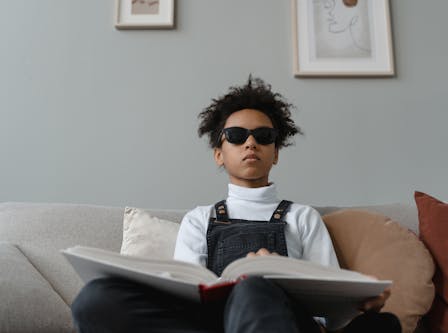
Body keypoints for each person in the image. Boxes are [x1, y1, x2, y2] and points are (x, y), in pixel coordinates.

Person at [71, 77, 401, 333]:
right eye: (237, 136)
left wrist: (357, 301)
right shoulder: (199, 219)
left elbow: (329, 305)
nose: (251, 142)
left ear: (276, 152)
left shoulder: (303, 217)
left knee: (254, 289)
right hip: (211, 324)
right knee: (96, 299)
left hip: (283, 320)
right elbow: (188, 293)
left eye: (263, 136)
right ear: (219, 153)